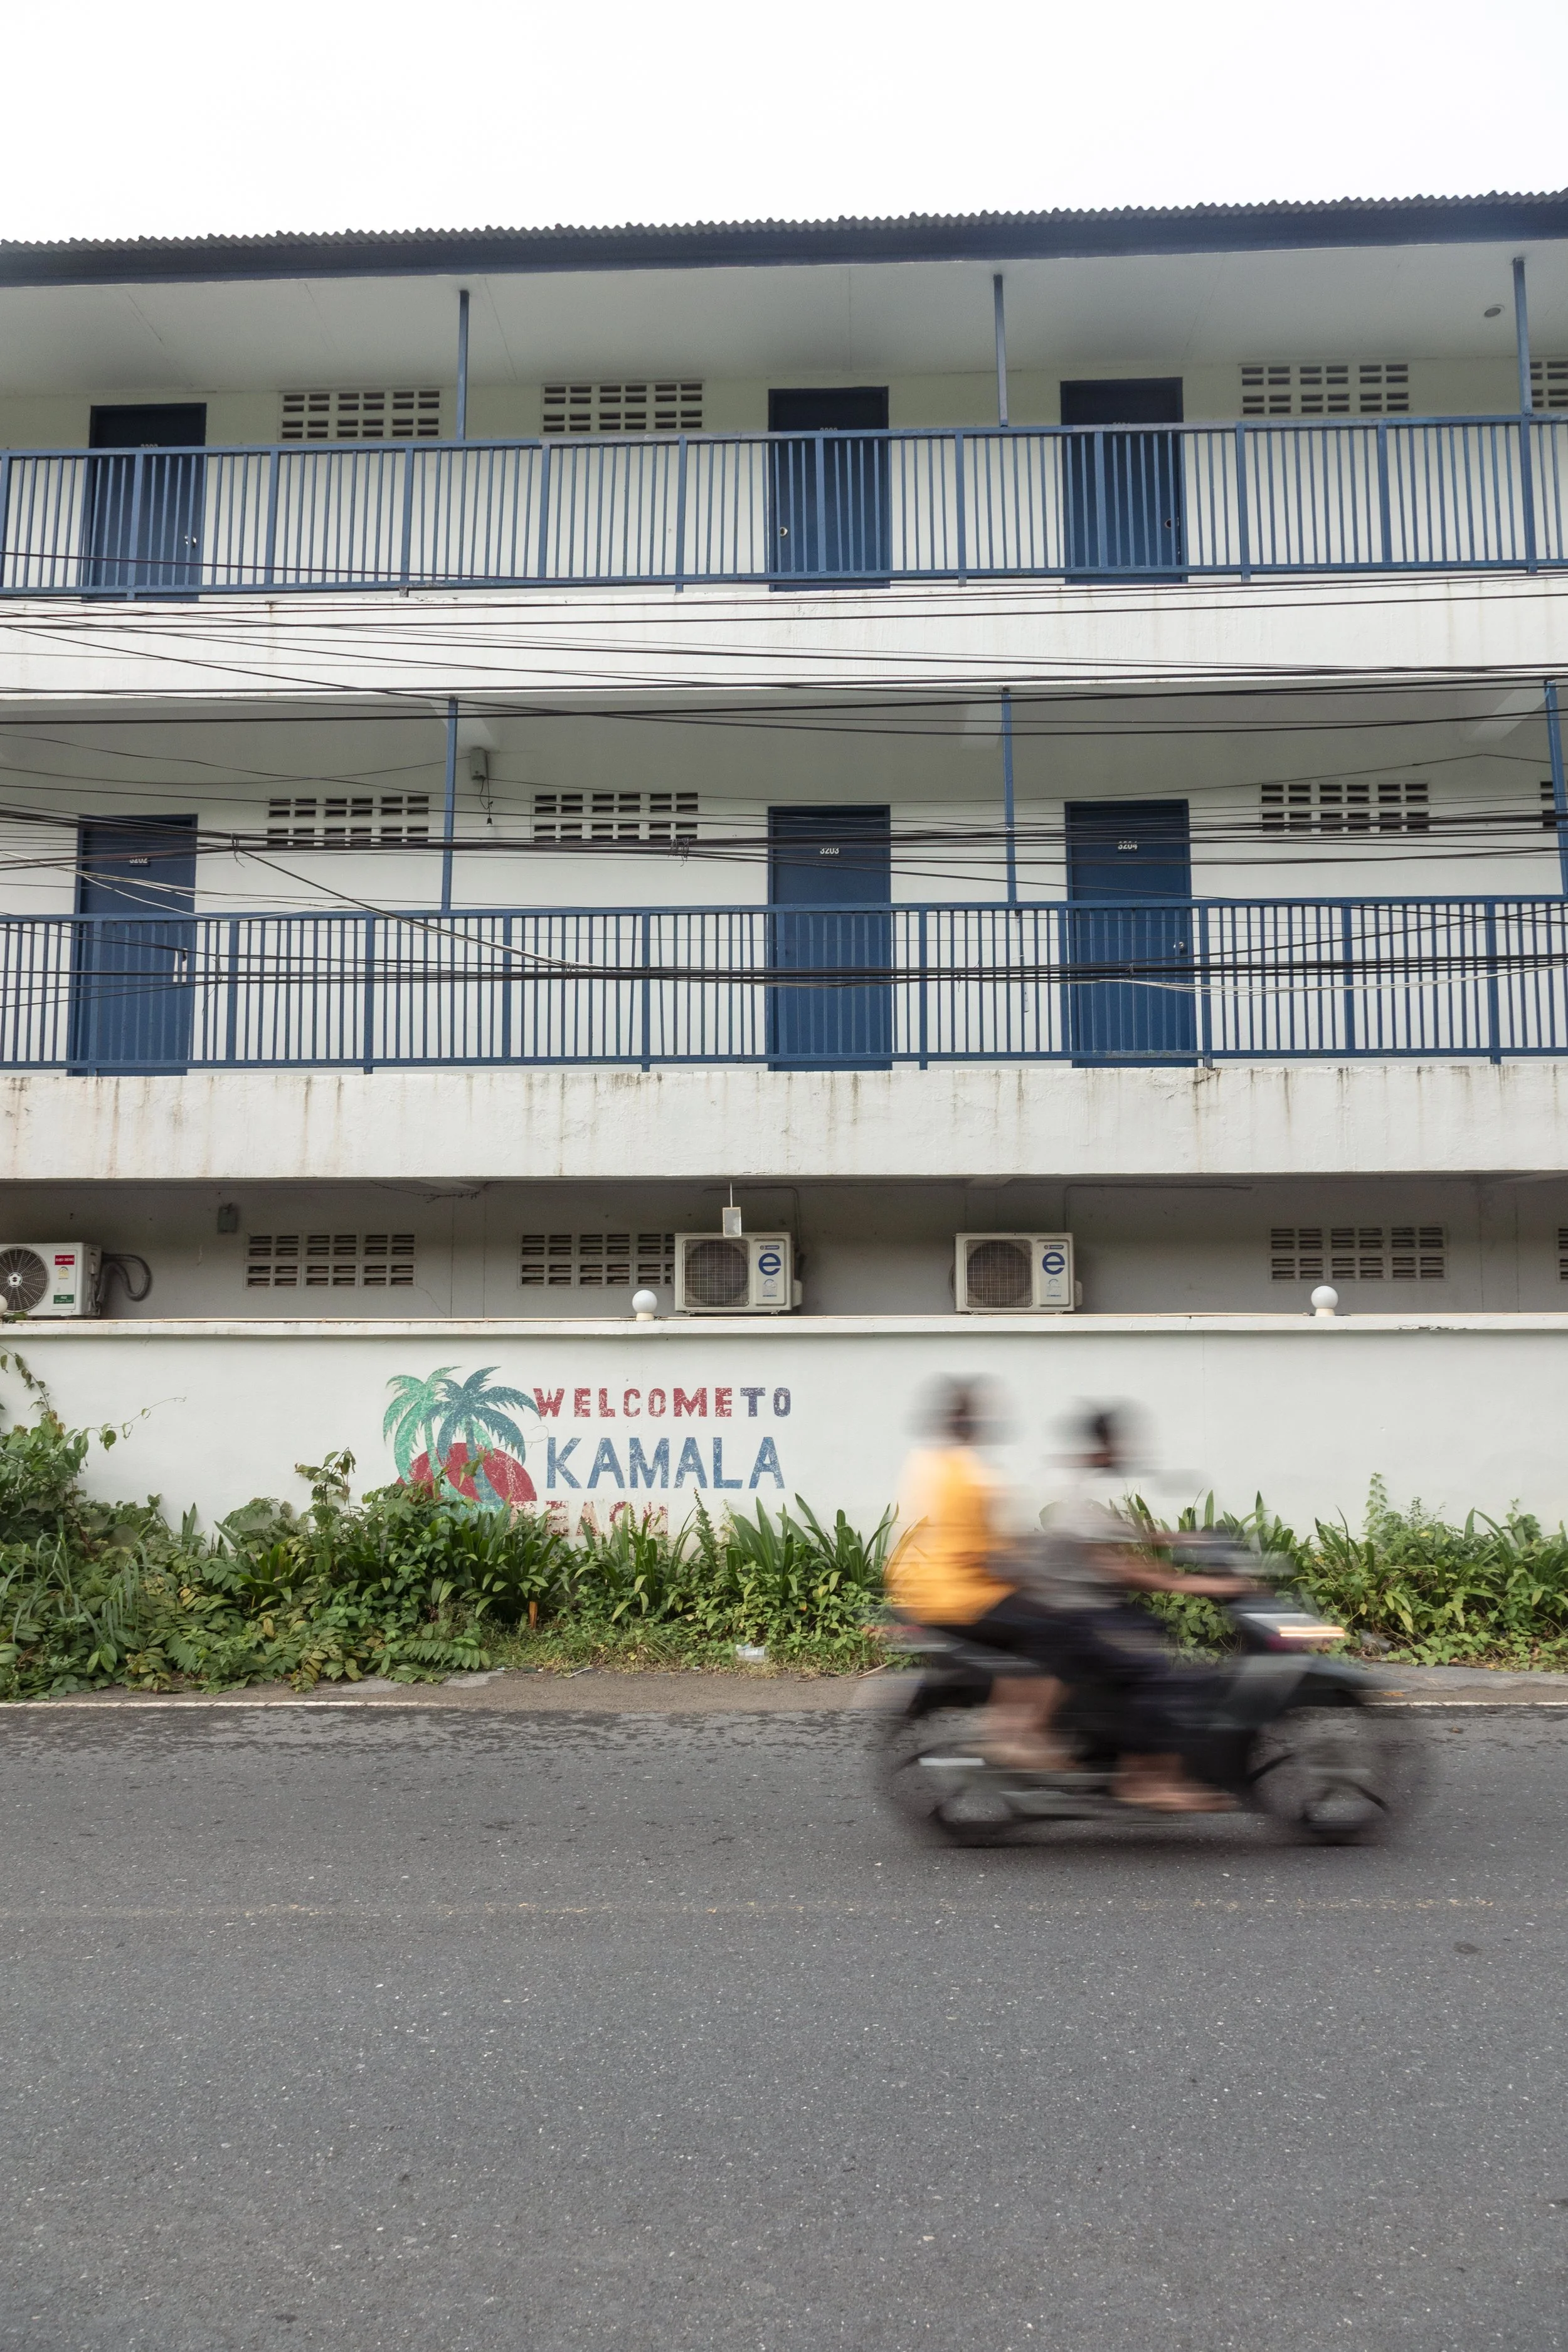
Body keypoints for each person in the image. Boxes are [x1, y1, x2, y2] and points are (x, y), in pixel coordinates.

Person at [1025, 1406, 1254, 1811]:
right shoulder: (1073, 1490)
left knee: (1159, 1633)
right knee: (1165, 1668)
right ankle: (1144, 1779)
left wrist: (1195, 1540)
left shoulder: (1081, 1481)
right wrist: (1216, 1585)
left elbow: (1130, 1535)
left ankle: (1126, 1746)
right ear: (1103, 1446)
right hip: (1076, 1616)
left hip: (1085, 1608)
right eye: (1120, 1443)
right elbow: (1135, 1572)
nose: (1128, 1451)